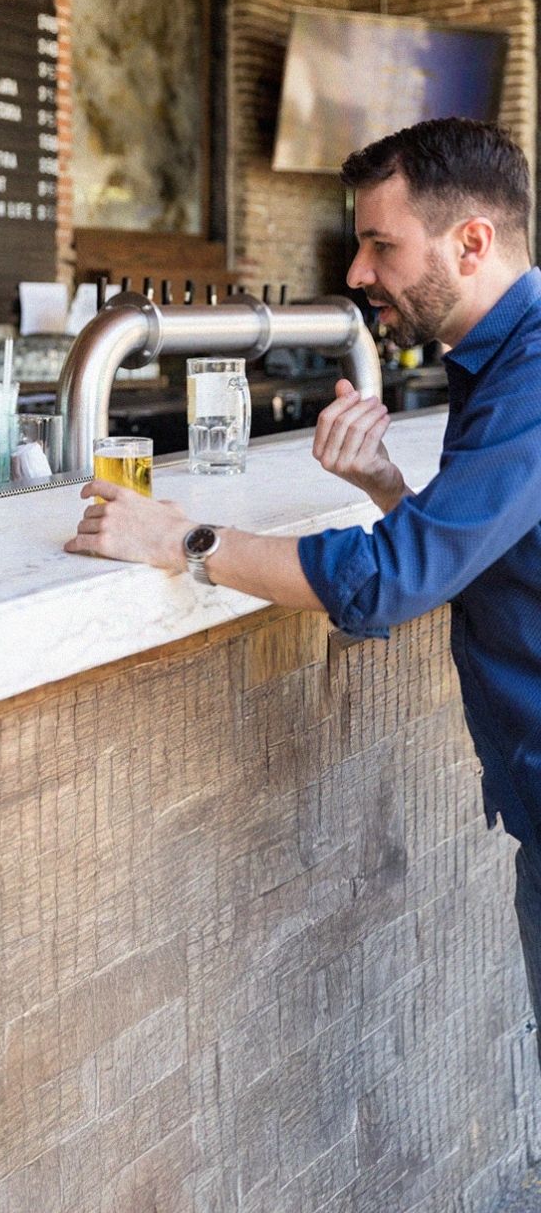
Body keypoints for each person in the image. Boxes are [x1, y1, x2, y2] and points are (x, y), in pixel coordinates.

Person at [68, 116, 541, 1024]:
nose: (358, 274)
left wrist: (187, 542)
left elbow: (387, 581)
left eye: (379, 244)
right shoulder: (497, 360)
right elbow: (479, 564)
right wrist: (384, 484)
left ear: (472, 241)